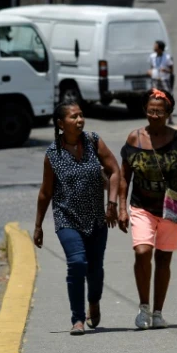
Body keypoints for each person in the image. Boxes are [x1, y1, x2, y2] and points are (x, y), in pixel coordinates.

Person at [33, 100, 121, 335]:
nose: (80, 120)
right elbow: (45, 192)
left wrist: (112, 203)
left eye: (81, 115)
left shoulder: (93, 141)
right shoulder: (53, 155)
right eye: (74, 117)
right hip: (66, 218)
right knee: (77, 263)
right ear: (61, 124)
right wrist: (38, 226)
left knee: (95, 268)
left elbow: (114, 170)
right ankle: (78, 319)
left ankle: (94, 301)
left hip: (96, 217)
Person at [119, 88, 177, 330]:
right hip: (142, 205)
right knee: (142, 252)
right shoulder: (134, 138)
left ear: (168, 113)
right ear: (145, 111)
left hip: (172, 207)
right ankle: (143, 308)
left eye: (160, 112)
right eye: (151, 111)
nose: (155, 115)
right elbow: (124, 177)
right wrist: (121, 207)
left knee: (163, 259)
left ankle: (158, 313)